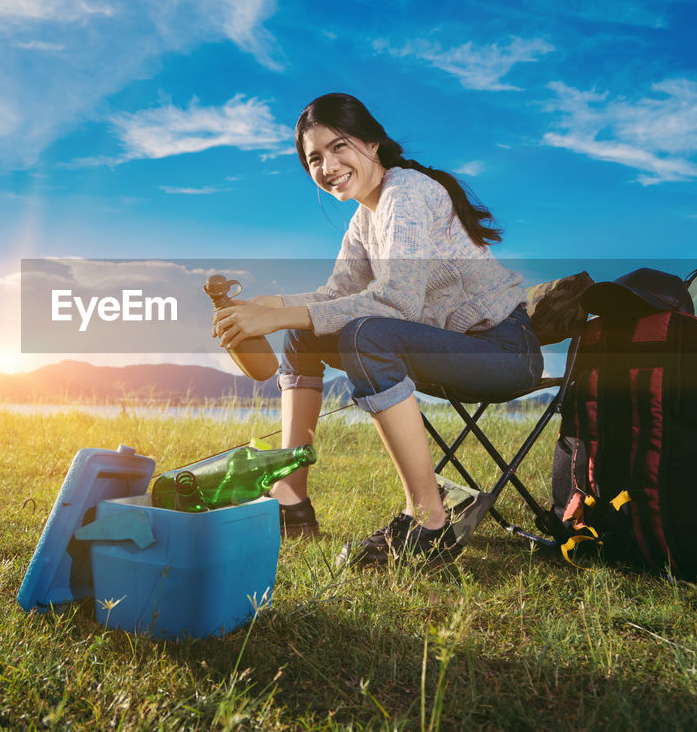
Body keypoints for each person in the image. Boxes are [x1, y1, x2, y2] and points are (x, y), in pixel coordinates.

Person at [212, 92, 542, 568]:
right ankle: (291, 501)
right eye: (314, 159)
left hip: (503, 353)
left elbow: (395, 301)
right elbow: (335, 296)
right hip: (448, 349)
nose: (328, 166)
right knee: (305, 333)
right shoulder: (365, 218)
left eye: (338, 146)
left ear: (371, 142)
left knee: (367, 334)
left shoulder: (406, 192)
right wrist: (271, 305)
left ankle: (429, 524)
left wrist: (279, 313)